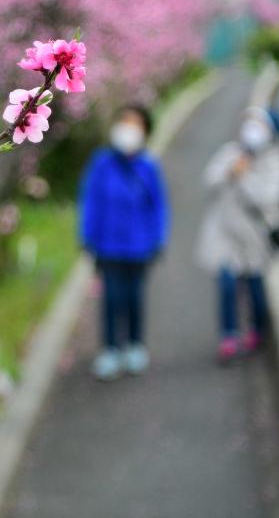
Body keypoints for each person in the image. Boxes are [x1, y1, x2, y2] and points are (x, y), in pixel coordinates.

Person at [79, 105, 169, 381]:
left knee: (134, 298)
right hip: (108, 246)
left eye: (136, 124)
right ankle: (110, 350)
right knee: (111, 299)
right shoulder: (102, 163)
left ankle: (134, 345)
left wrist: (158, 237)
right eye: (124, 122)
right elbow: (90, 201)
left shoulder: (148, 167)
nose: (128, 129)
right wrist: (87, 236)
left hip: (139, 247)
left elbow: (159, 206)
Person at [196, 107, 279, 362]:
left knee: (255, 288)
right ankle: (229, 335)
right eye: (250, 123)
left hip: (254, 238)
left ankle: (258, 329)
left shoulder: (275, 164)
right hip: (224, 233)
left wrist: (244, 176)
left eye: (259, 125)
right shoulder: (231, 152)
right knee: (226, 284)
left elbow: (266, 199)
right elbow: (209, 180)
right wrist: (230, 171)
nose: (252, 129)